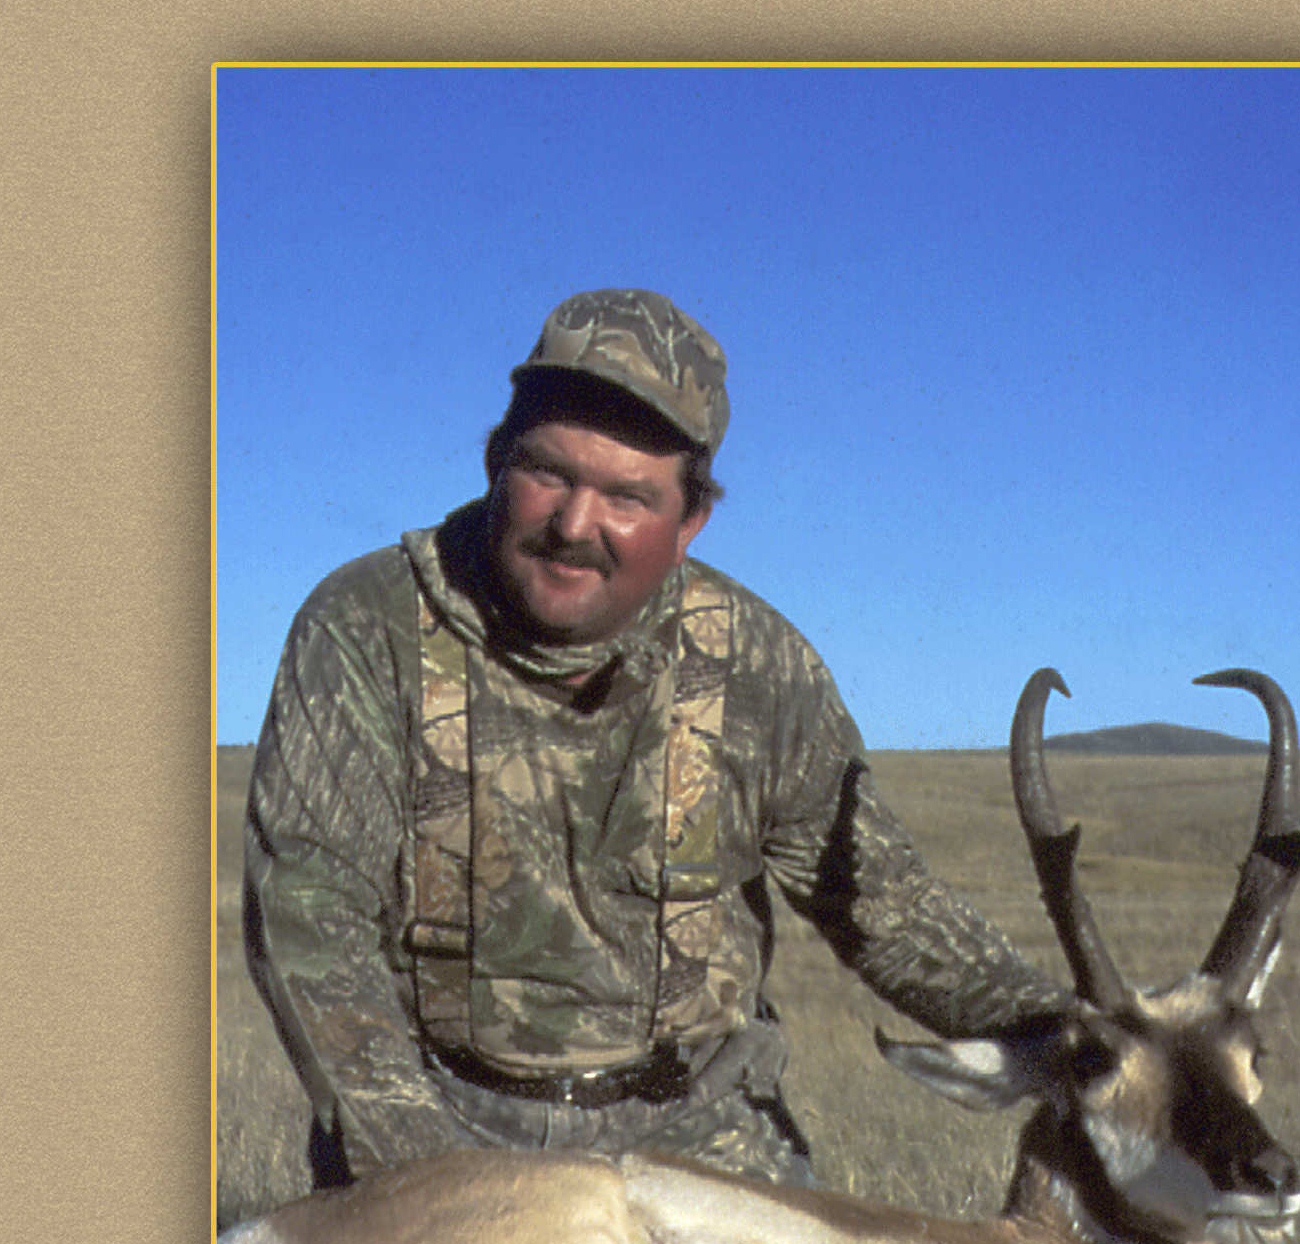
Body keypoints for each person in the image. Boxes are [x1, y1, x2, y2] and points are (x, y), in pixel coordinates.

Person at [244, 288, 1071, 1191]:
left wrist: (1073, 1031)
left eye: (628, 497)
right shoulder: (364, 626)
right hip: (444, 1128)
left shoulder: (760, 667)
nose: (574, 526)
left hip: (701, 1134)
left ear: (690, 524)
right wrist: (431, 1178)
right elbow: (311, 917)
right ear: (494, 465)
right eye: (548, 473)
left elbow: (884, 907)